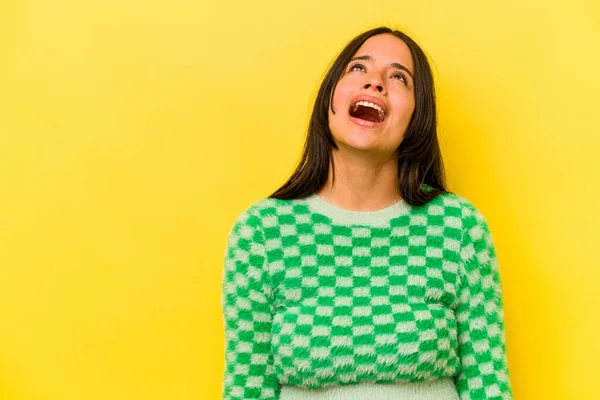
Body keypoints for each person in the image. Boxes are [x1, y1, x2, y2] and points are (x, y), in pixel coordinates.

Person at [221, 26, 513, 400]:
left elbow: (488, 385)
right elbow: (246, 387)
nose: (375, 82)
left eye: (398, 77)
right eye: (359, 68)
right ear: (330, 96)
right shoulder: (263, 232)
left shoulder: (457, 228)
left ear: (416, 117)